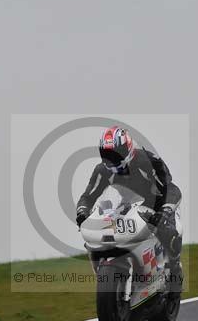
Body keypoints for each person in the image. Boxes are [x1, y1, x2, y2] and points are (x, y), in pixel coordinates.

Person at [76, 125, 183, 293]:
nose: (111, 158)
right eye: (107, 154)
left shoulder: (149, 160)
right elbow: (88, 196)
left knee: (168, 233)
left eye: (115, 153)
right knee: (99, 232)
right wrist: (82, 212)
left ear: (127, 148)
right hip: (125, 205)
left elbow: (170, 188)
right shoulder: (101, 170)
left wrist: (163, 211)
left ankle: (174, 271)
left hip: (155, 204)